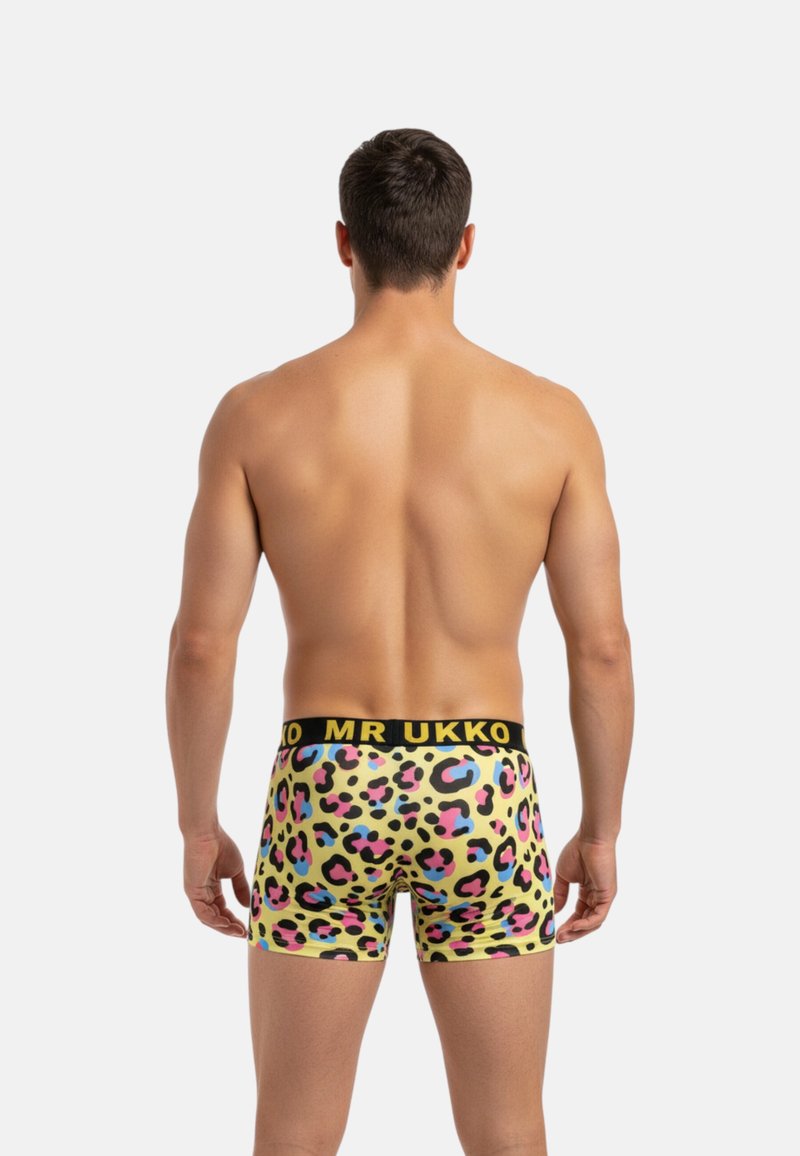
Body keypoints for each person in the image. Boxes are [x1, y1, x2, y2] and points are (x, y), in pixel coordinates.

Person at [166, 127, 634, 1156]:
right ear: (464, 245)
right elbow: (598, 648)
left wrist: (198, 823)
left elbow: (204, 643)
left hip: (325, 779)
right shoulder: (551, 420)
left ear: (344, 242)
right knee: (507, 1126)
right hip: (482, 782)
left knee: (294, 1127)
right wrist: (599, 829)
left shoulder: (255, 414)